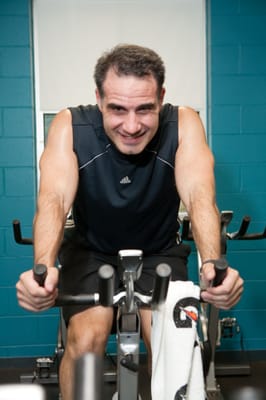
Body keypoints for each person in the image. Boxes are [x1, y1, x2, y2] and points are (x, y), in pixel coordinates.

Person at [16, 44, 244, 400]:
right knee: (87, 340)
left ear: (161, 98)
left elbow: (200, 195)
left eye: (145, 109)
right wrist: (42, 267)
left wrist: (213, 263)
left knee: (172, 344)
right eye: (117, 109)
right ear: (98, 98)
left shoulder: (183, 122)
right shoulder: (70, 125)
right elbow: (54, 200)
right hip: (93, 253)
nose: (132, 125)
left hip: (159, 252)